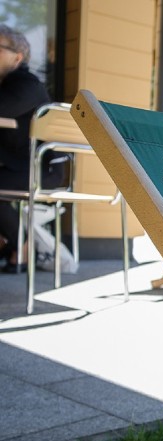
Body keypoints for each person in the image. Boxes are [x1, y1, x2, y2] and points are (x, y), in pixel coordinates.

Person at [0, 25, 50, 273]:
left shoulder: (26, 84)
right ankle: (14, 245)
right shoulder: (11, 83)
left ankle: (22, 247)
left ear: (17, 57)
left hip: (42, 170)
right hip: (20, 167)